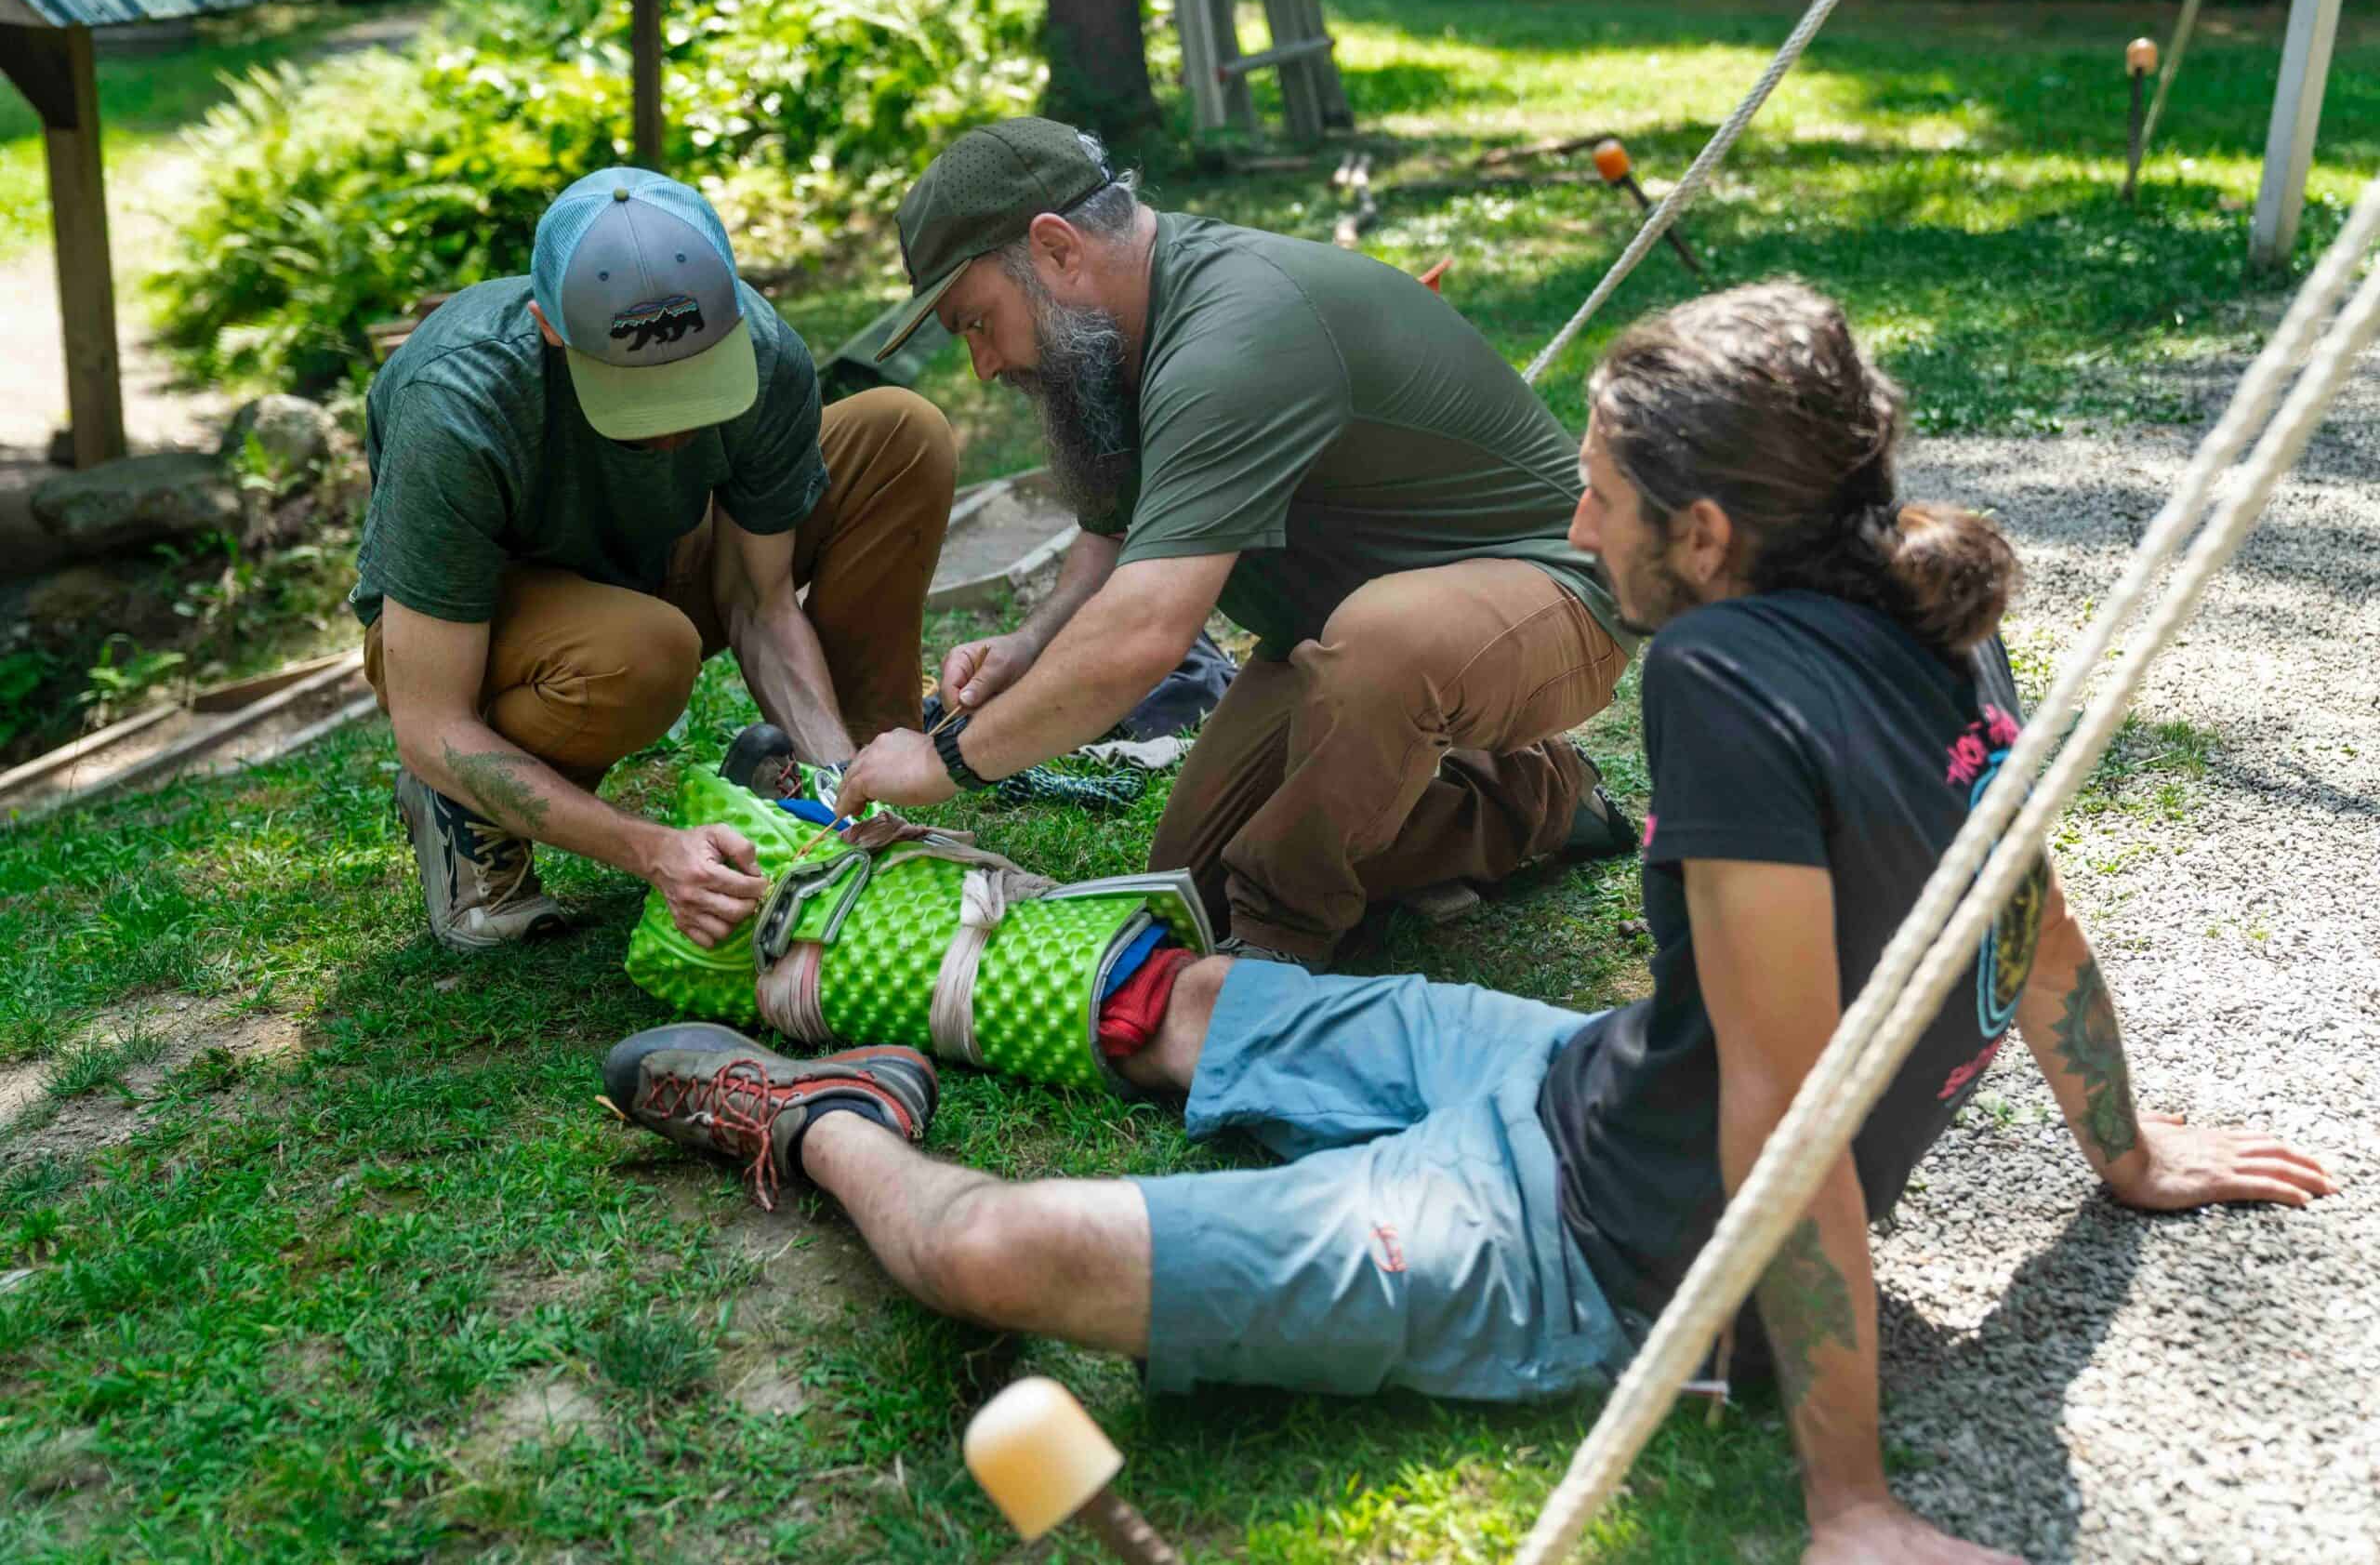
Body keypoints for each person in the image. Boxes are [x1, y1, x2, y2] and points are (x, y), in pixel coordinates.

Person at [604, 282, 2336, 1562]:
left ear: (1710, 533)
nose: (1571, 525)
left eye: (1598, 498)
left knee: (987, 1254)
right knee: (1195, 988)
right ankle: (878, 967)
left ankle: (826, 1118)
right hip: (1585, 1070)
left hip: (1582, 1236)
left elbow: (1791, 1109)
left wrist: (1853, 1502)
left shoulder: (1727, 676)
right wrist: (2125, 1145)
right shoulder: (1933, 583)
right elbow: (2021, 908)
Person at [830, 117, 1639, 966]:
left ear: (1057, 248)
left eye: (976, 322)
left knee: (1376, 664)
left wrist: (943, 761)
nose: (983, 366)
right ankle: (1534, 797)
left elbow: (1147, 631)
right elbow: (1111, 536)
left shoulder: (1231, 333)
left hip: (1554, 593)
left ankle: (1276, 951)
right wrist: (1030, 647)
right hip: (1336, 627)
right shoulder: (1121, 336)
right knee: (1193, 878)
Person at [354, 167, 955, 952]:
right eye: (637, 390)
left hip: (656, 560)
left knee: (898, 434)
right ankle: (464, 812)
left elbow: (759, 600)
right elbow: (430, 720)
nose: (673, 425)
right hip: (474, 637)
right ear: (549, 328)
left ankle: (856, 801)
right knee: (643, 652)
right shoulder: (461, 402)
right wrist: (653, 851)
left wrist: (837, 774)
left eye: (695, 377)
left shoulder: (765, 353)